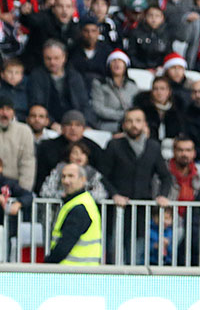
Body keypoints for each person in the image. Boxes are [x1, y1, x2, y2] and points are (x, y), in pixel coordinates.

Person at [101, 107, 172, 264]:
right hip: (116, 211)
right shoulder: (114, 145)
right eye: (130, 121)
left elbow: (166, 176)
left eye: (138, 121)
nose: (134, 124)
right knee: (113, 257)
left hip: (141, 212)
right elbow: (102, 176)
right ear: (124, 125)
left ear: (144, 124)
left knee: (137, 258)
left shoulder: (153, 146)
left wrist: (162, 196)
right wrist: (114, 194)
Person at [44, 162, 102, 265]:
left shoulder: (80, 207)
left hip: (72, 270)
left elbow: (64, 246)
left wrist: (47, 265)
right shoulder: (83, 201)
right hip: (82, 269)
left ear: (83, 179)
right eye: (63, 176)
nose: (66, 181)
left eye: (71, 176)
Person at [39, 141, 110, 201]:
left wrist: (81, 196)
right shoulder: (59, 170)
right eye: (75, 153)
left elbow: (102, 194)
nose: (79, 156)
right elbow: (45, 191)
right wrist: (63, 195)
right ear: (69, 156)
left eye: (83, 153)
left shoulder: (92, 173)